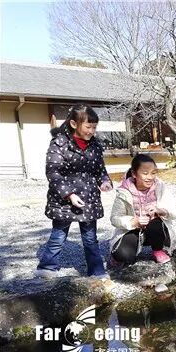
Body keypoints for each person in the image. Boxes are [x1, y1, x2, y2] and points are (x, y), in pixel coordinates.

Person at [35, 104, 112, 279]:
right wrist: (69, 194)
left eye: (94, 127)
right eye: (88, 127)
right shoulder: (59, 143)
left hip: (88, 199)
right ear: (74, 124)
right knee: (58, 235)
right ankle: (47, 268)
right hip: (63, 200)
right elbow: (53, 172)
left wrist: (105, 182)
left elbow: (100, 170)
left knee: (90, 238)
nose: (91, 131)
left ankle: (96, 271)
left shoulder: (95, 145)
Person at [110, 154, 176, 265]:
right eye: (145, 173)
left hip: (156, 230)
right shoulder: (124, 191)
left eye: (153, 173)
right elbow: (114, 218)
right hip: (133, 230)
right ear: (134, 174)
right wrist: (133, 221)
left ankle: (158, 250)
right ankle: (126, 251)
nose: (150, 177)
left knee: (156, 224)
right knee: (123, 256)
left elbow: (175, 211)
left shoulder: (160, 186)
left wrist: (160, 211)